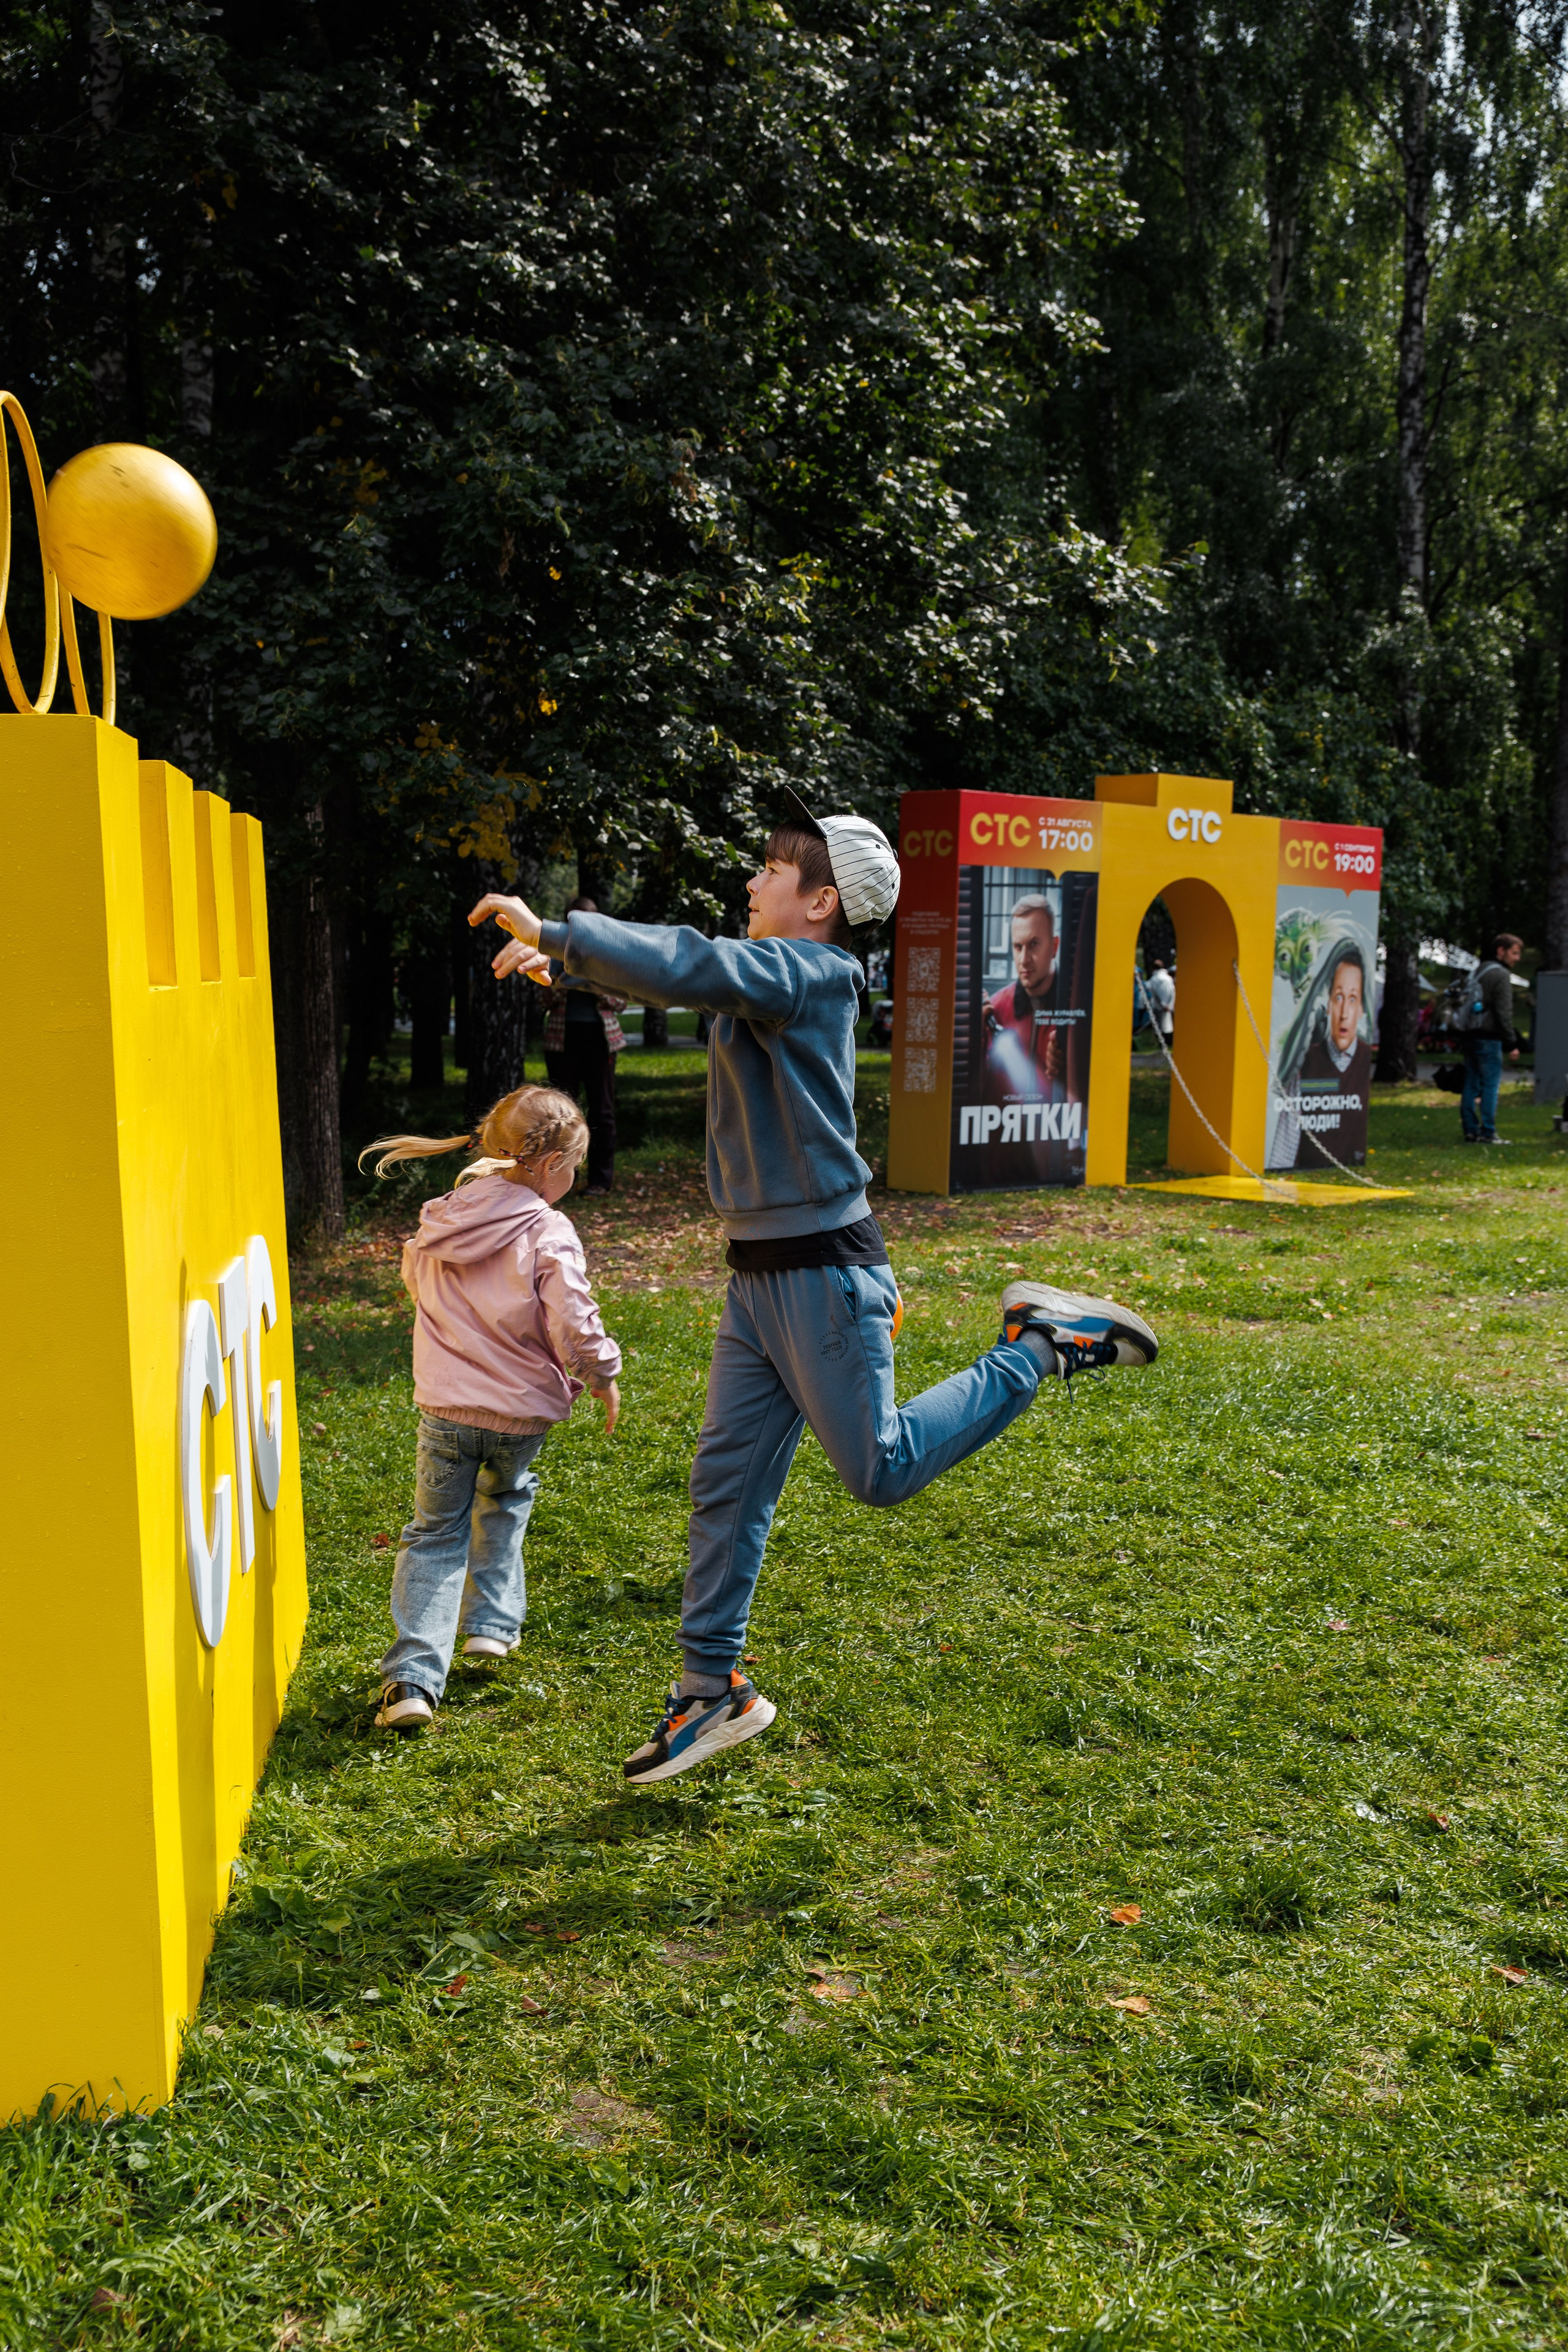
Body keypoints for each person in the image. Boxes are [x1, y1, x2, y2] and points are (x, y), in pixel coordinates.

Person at [469, 792, 1159, 1787]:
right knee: (725, 1482)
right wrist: (572, 967)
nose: (750, 881)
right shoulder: (774, 981)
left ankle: (1042, 1343)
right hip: (760, 1280)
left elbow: (697, 964)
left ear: (822, 902)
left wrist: (564, 934)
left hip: (825, 1275)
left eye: (770, 872)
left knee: (878, 1469)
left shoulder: (815, 974)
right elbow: (702, 983)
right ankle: (709, 1692)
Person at [358, 1085, 622, 1730]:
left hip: (447, 1410)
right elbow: (573, 1317)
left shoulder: (444, 1215)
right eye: (574, 1169)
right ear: (551, 1165)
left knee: (433, 1534)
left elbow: (414, 1279)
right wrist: (601, 1373)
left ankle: (413, 1682)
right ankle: (489, 1628)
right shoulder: (547, 1227)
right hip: (520, 1417)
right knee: (504, 1501)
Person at [541, 895, 627, 1196]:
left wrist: (594, 983)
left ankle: (600, 1181)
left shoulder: (608, 954)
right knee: (561, 1113)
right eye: (576, 918)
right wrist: (563, 981)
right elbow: (542, 998)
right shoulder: (554, 951)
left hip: (600, 1040)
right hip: (561, 1039)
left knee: (602, 1111)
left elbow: (621, 1002)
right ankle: (562, 1180)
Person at [1459, 932, 1523, 1146]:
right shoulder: (1501, 975)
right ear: (1501, 951)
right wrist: (1512, 1042)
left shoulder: (1477, 971)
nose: (1518, 958)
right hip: (1489, 1037)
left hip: (1469, 1034)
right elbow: (1504, 1013)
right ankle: (1488, 1132)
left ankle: (1470, 1130)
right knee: (1490, 1085)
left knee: (1470, 1083)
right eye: (1514, 953)